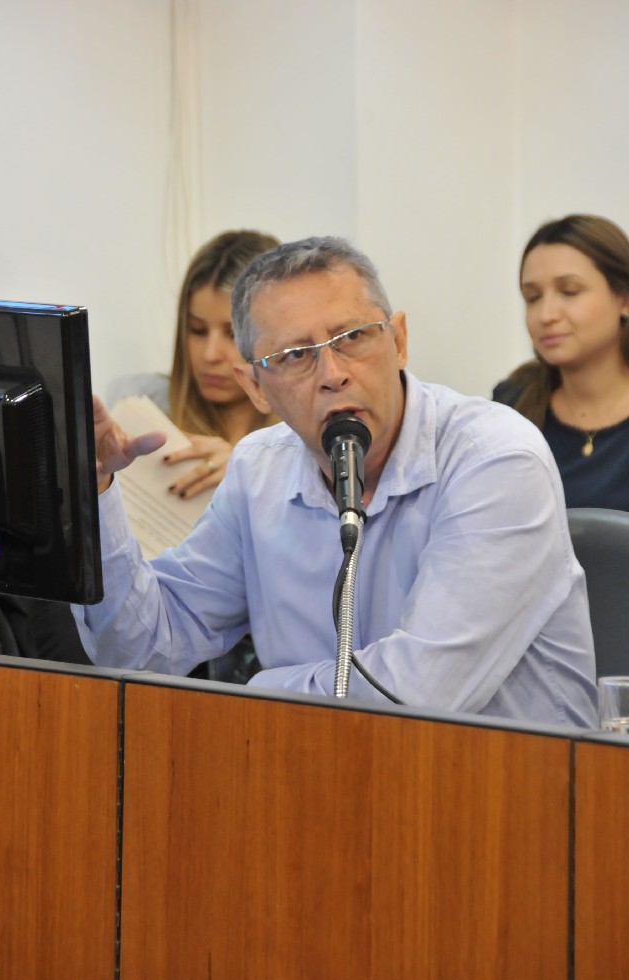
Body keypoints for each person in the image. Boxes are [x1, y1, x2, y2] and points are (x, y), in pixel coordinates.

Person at [72, 236, 598, 727]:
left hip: (506, 783)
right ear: (255, 387)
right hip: (322, 773)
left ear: (399, 341)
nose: (332, 374)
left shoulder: (495, 458)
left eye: (352, 339)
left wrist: (253, 693)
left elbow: (419, 695)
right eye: (294, 356)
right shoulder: (259, 470)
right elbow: (143, 647)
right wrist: (94, 490)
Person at [107, 228, 280, 499]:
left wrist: (250, 472)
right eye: (197, 330)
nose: (210, 355)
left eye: (233, 334)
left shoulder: (307, 438)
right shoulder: (142, 406)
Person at [493, 213, 629, 509]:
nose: (546, 315)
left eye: (569, 292)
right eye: (532, 297)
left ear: (624, 299)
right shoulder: (511, 405)